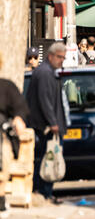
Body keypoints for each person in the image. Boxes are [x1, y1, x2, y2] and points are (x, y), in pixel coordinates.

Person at [27, 42, 67, 204]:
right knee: (47, 157)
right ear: (50, 56)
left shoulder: (48, 71)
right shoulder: (45, 73)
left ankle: (45, 192)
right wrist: (53, 122)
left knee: (47, 157)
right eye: (59, 57)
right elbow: (45, 99)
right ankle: (43, 192)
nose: (61, 61)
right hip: (45, 126)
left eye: (63, 58)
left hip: (47, 124)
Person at [0, 51, 30, 211]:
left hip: (1, 134)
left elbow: (20, 108)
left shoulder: (6, 87)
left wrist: (19, 118)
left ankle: (0, 198)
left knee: (2, 164)